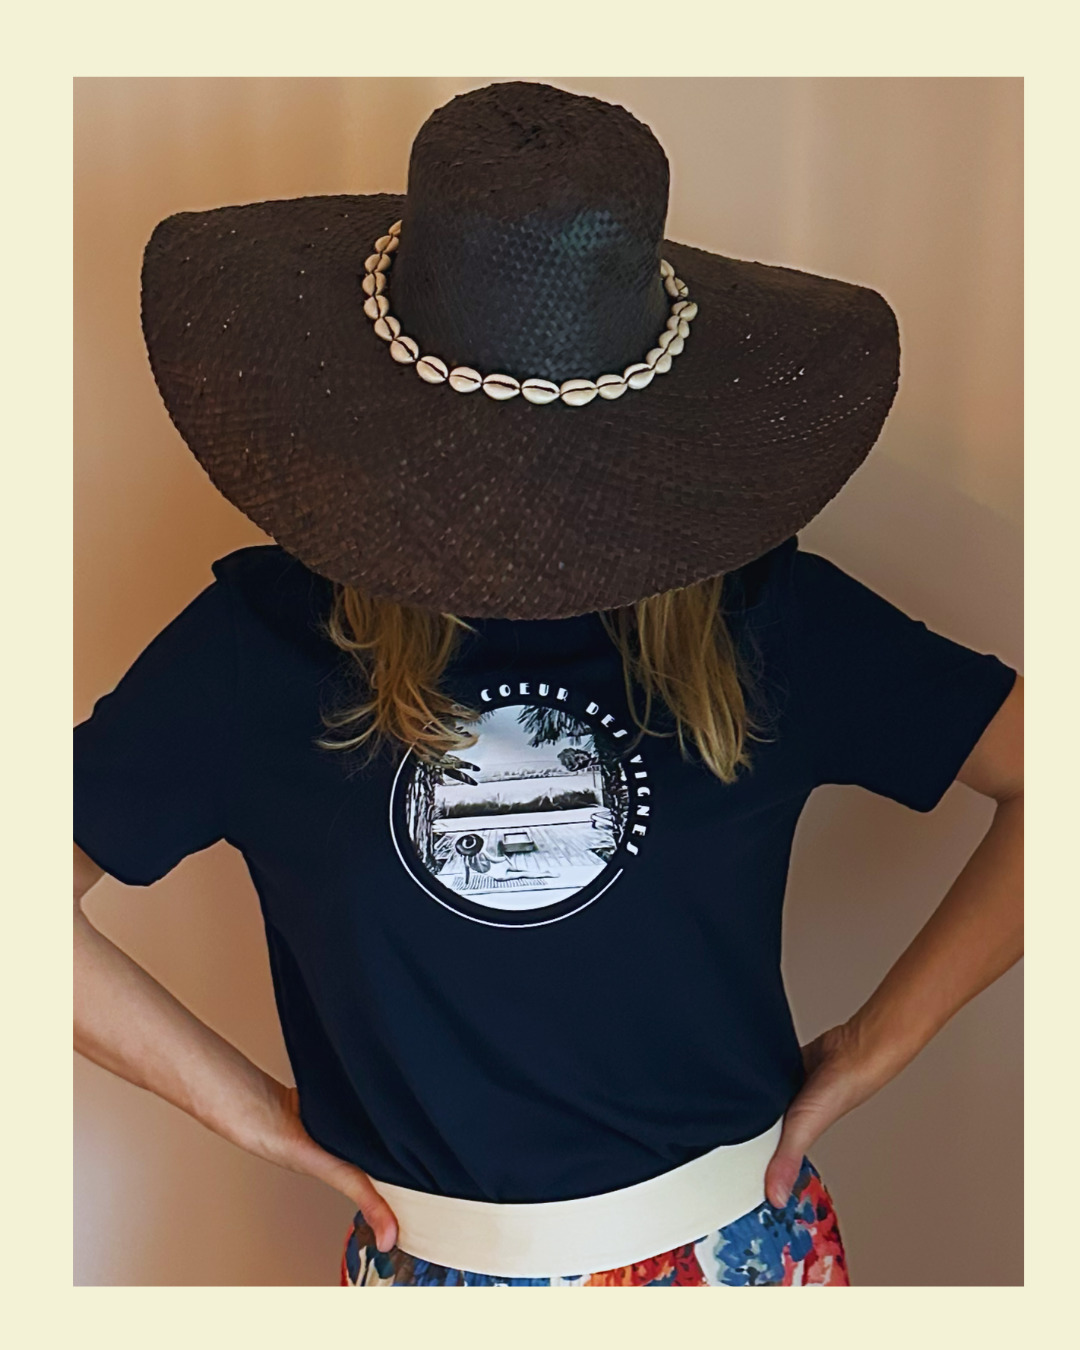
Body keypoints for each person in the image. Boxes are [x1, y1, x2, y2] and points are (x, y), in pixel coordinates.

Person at [74, 81, 1022, 1288]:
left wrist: (880, 1045)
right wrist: (252, 1112)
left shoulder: (764, 617)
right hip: (432, 1273)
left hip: (744, 1260)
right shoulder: (262, 644)